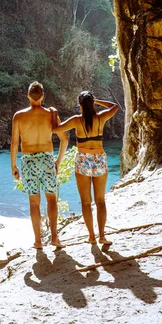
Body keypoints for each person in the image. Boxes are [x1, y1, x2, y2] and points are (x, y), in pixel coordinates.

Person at [52, 91, 119, 245]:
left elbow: (56, 129)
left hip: (82, 159)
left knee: (86, 202)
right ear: (92, 104)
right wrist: (97, 101)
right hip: (99, 158)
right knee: (100, 201)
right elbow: (115, 106)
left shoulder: (76, 120)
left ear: (80, 105)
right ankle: (102, 236)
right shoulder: (101, 117)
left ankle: (92, 237)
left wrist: (54, 114)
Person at [10, 81, 68, 249]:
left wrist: (13, 166)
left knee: (34, 202)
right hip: (47, 160)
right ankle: (55, 238)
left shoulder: (19, 116)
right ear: (42, 96)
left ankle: (37, 241)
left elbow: (14, 144)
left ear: (28, 96)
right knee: (52, 199)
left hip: (28, 161)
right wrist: (57, 162)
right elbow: (64, 140)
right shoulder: (51, 114)